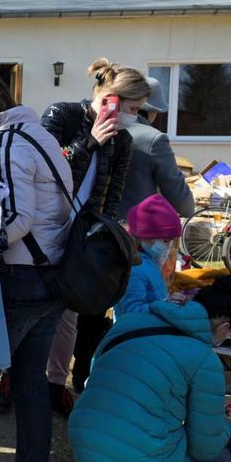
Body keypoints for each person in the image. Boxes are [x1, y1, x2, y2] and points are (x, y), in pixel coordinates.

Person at [0, 74, 72, 461]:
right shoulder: (40, 136)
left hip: (21, 277)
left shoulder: (4, 140)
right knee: (30, 380)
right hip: (52, 274)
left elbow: (16, 218)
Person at [41, 57, 149, 405]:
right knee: (31, 309)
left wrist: (106, 234)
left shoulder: (122, 141)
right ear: (108, 97)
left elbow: (114, 194)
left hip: (83, 236)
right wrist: (88, 142)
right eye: (131, 108)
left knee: (68, 314)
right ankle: (13, 378)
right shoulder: (62, 115)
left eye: (136, 111)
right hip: (45, 227)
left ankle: (55, 385)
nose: (132, 117)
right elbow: (43, 168)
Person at [68, 277, 231, 461]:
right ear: (224, 328)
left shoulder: (128, 322)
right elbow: (205, 448)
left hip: (84, 435)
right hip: (136, 451)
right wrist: (226, 425)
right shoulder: (205, 359)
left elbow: (96, 372)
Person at [118, 77, 194, 219]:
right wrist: (191, 209)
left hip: (91, 224)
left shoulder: (101, 128)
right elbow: (180, 199)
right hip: (134, 226)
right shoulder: (153, 139)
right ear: (152, 111)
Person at [113, 194, 182, 319]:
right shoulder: (134, 270)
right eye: (165, 241)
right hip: (136, 330)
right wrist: (165, 305)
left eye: (171, 241)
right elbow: (130, 313)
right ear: (145, 236)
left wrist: (168, 301)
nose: (168, 246)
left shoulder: (149, 260)